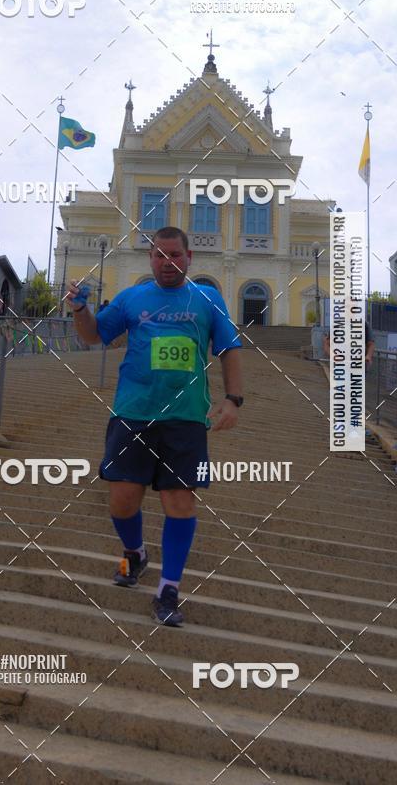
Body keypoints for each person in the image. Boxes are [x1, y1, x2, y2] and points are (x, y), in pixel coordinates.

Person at [67, 226, 243, 626]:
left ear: (189, 257)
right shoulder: (133, 297)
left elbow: (230, 348)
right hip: (133, 413)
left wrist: (233, 399)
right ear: (150, 258)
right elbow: (95, 336)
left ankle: (168, 589)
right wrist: (80, 309)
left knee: (180, 503)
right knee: (122, 502)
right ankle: (135, 553)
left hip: (185, 419)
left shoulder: (207, 298)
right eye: (160, 256)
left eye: (175, 255)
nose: (168, 263)